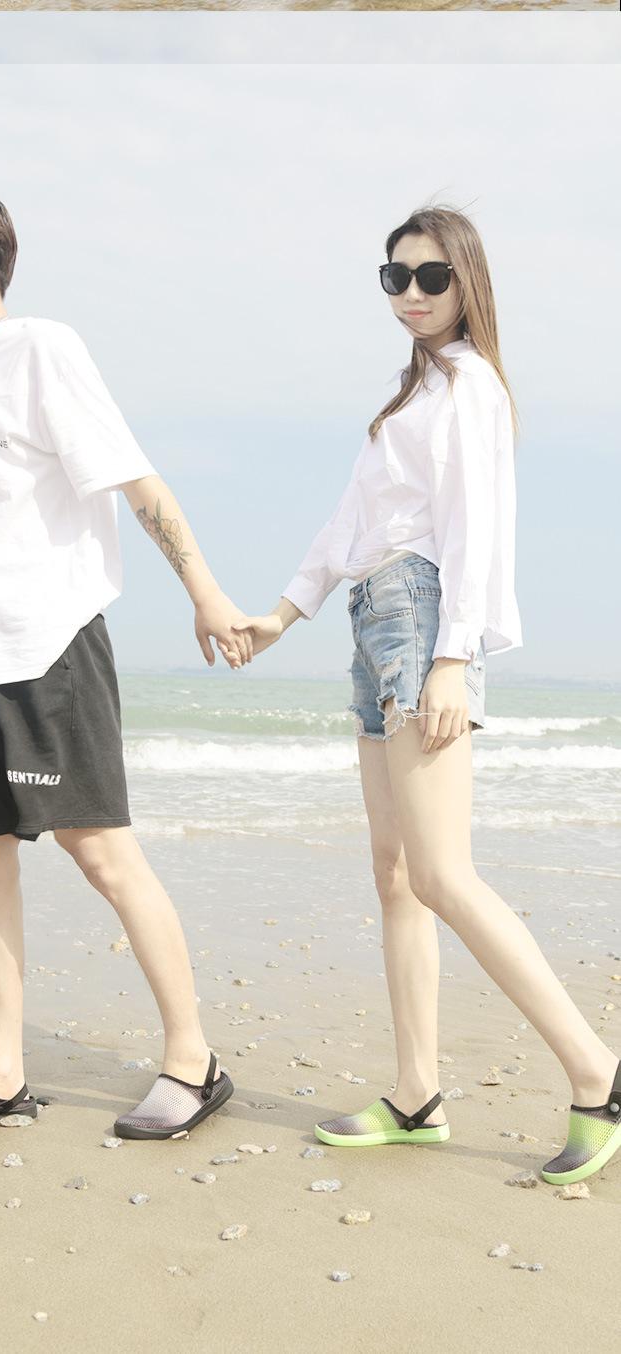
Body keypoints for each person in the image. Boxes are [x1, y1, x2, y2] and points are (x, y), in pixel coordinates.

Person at [237, 206, 621, 1186]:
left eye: (430, 276)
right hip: (375, 618)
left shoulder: (471, 385)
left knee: (443, 873)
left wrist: (454, 656)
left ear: (467, 283)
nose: (410, 292)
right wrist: (281, 614)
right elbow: (347, 525)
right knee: (396, 872)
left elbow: (475, 527)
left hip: (420, 618)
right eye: (394, 276)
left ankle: (597, 1071)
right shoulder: (413, 394)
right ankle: (416, 1094)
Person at [0, 179, 249, 1141]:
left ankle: (194, 1061)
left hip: (47, 652)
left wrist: (205, 590)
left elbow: (136, 480)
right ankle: (0, 1074)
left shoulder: (40, 349)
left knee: (103, 853)